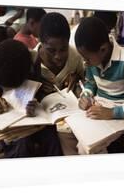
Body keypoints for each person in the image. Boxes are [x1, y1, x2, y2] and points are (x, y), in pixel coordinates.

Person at [0, 39, 63, 158]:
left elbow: (36, 89)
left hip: (25, 113)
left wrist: (33, 101)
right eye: (6, 89)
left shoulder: (32, 59)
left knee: (52, 137)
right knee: (21, 143)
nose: (9, 93)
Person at [75, 17, 124, 153]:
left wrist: (112, 113)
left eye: (87, 58)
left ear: (103, 49)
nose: (85, 63)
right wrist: (86, 94)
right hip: (98, 109)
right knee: (74, 136)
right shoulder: (93, 59)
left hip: (119, 113)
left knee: (91, 147)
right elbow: (91, 83)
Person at [34, 12, 84, 155]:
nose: (58, 56)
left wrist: (78, 78)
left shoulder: (75, 56)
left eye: (63, 49)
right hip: (44, 123)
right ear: (40, 42)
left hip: (71, 117)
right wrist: (36, 89)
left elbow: (87, 81)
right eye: (51, 50)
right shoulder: (31, 62)